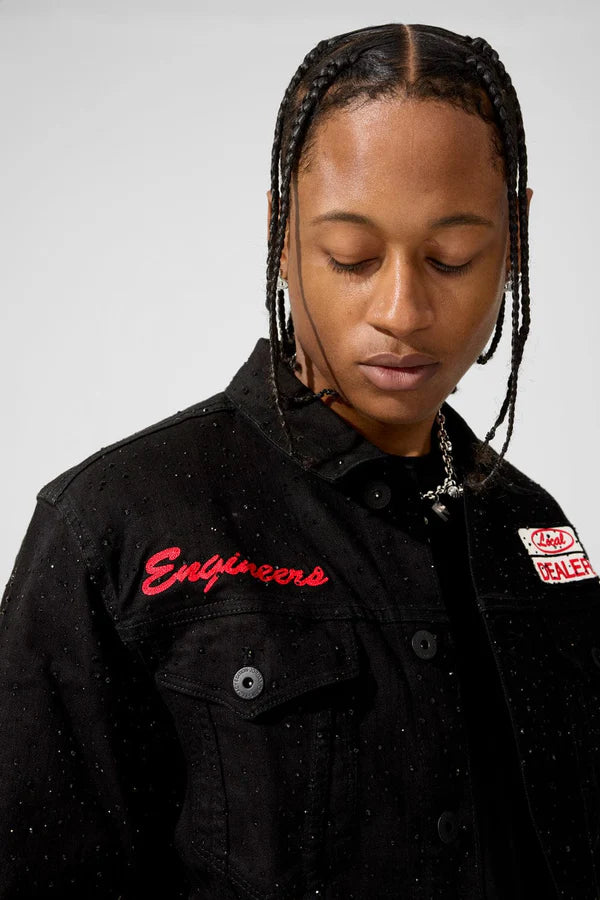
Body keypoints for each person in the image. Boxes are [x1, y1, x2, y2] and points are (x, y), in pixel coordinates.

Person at [0, 20, 597, 900]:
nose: (402, 310)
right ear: (282, 235)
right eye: (352, 257)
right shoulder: (111, 530)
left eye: (451, 257)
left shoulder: (533, 530)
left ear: (516, 239)